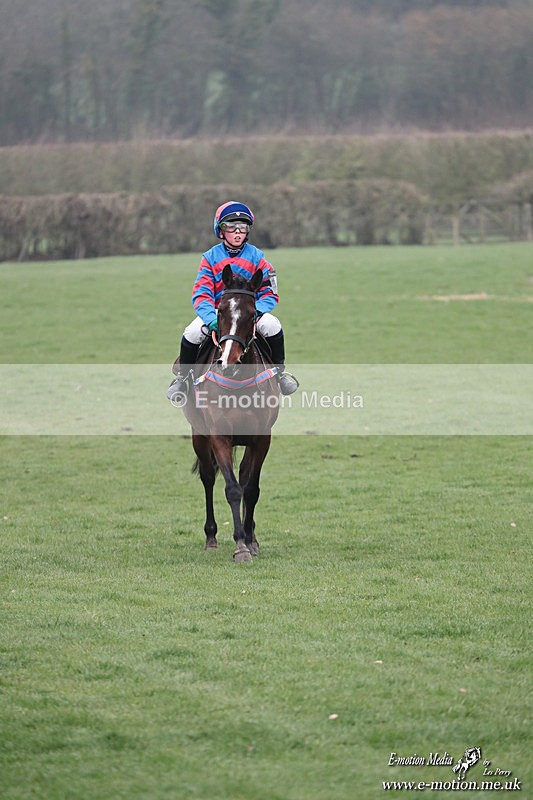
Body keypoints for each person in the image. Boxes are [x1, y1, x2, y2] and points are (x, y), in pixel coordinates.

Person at [167, 200, 299, 401]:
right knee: (191, 333)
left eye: (243, 228)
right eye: (231, 227)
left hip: (248, 314)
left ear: (248, 231)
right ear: (220, 230)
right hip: (218, 314)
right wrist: (211, 319)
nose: (237, 232)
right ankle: (183, 379)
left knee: (273, 326)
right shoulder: (210, 258)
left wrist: (257, 311)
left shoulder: (258, 258)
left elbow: (270, 292)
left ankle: (279, 374)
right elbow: (201, 294)